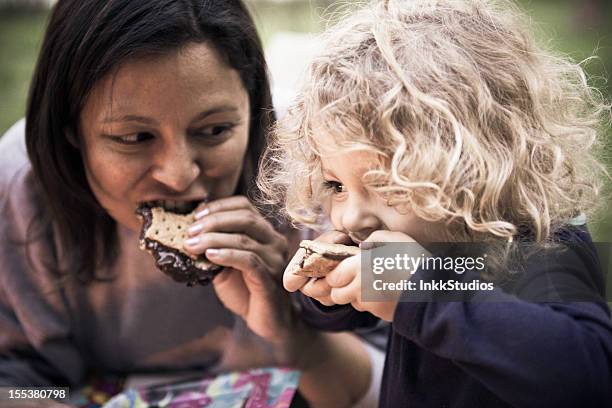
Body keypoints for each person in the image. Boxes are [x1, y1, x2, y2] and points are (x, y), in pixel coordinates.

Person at [0, 0, 381, 407]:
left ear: (253, 111)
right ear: (70, 132)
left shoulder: (321, 171)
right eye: (134, 138)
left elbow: (403, 376)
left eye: (214, 130)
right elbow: (16, 383)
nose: (180, 175)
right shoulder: (19, 191)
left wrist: (292, 334)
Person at [258, 0, 612, 406]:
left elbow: (591, 374)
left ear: (471, 169)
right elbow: (361, 308)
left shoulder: (540, 246)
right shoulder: (414, 241)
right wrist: (324, 294)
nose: (352, 215)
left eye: (388, 186)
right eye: (336, 185)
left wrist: (421, 291)